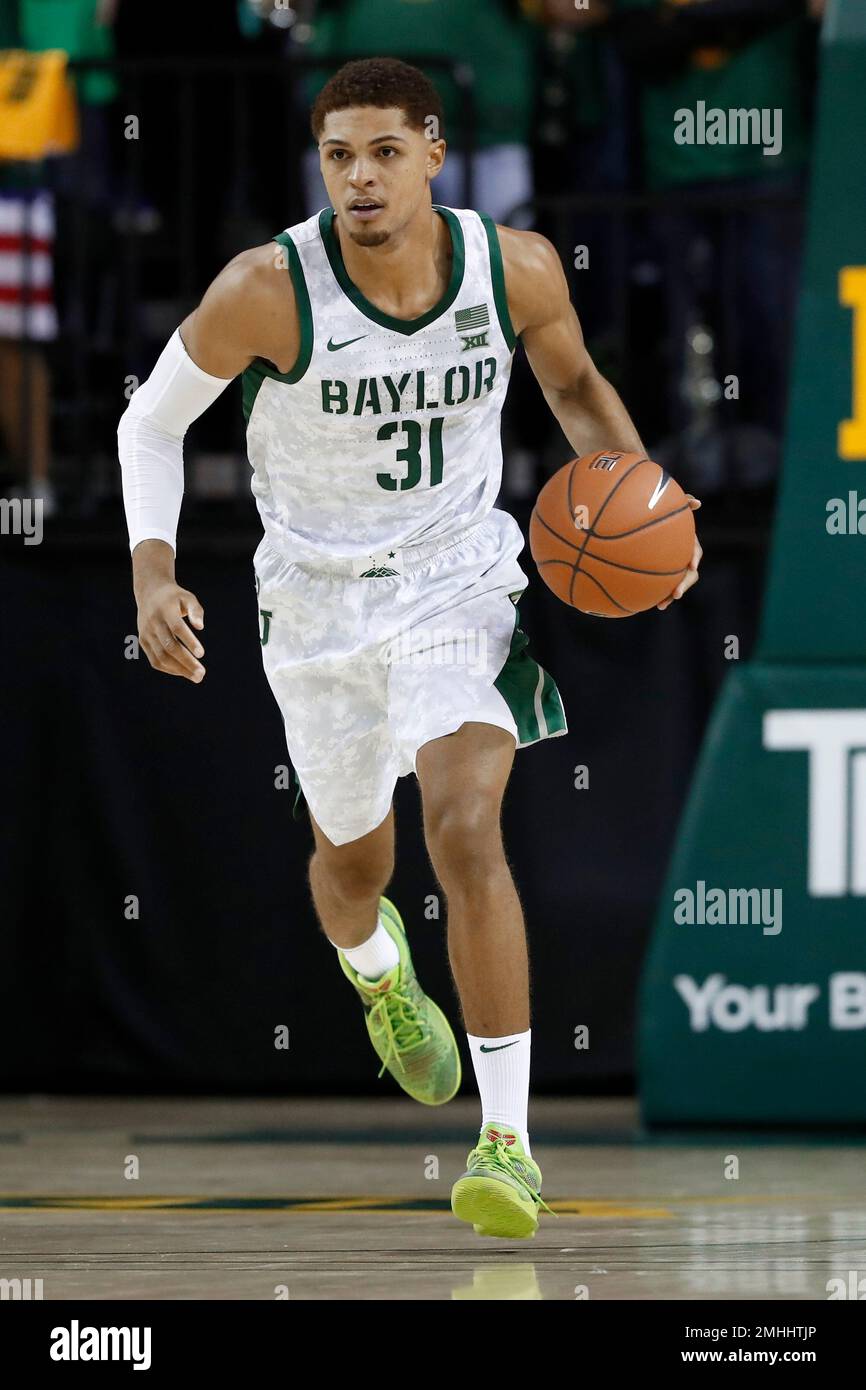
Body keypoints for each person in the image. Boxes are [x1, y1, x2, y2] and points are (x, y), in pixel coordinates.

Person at [118, 57, 701, 1240]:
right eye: (339, 157)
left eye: (385, 151)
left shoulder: (514, 267)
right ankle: (379, 976)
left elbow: (579, 388)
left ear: (435, 153)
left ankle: (504, 1143)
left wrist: (649, 498)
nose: (361, 178)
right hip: (317, 606)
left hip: (456, 579)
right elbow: (148, 423)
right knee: (351, 876)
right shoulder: (265, 289)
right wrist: (153, 574)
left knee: (466, 824)